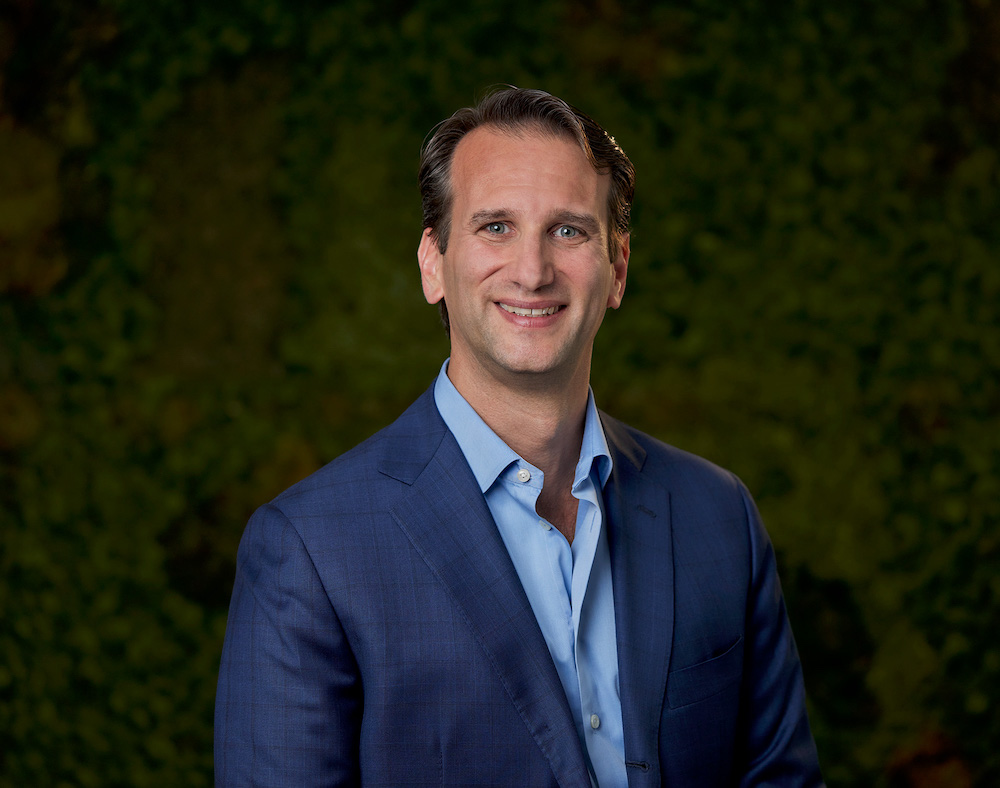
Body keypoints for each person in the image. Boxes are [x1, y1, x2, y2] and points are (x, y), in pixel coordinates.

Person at [214, 87, 824, 787]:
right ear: (432, 264)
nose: (532, 271)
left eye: (568, 230)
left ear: (617, 267)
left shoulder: (718, 515)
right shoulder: (309, 550)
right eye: (495, 227)